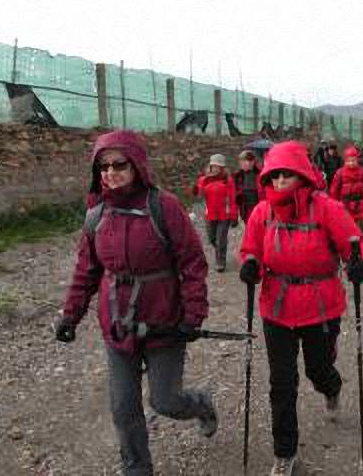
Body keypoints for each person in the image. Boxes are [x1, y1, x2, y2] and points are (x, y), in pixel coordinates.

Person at [55, 130, 216, 476]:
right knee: (123, 408)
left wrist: (193, 315)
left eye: (118, 165)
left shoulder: (164, 207)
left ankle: (200, 404)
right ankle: (137, 469)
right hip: (117, 327)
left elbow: (192, 263)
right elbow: (87, 268)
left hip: (164, 324)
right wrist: (71, 315)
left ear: (137, 165)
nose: (110, 173)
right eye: (103, 167)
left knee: (165, 401)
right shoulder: (97, 214)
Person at [239, 141, 363, 476]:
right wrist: (251, 264)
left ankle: (332, 386)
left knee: (318, 369)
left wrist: (359, 265)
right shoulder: (262, 212)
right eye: (274, 175)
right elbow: (250, 247)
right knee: (282, 384)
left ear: (303, 175)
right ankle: (286, 454)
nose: (280, 181)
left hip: (320, 307)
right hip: (276, 307)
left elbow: (354, 246)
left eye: (287, 174)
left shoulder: (326, 208)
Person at [194, 153, 239, 272]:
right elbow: (199, 196)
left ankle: (221, 262)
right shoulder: (204, 179)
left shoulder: (227, 180)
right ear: (210, 166)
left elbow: (233, 198)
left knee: (220, 239)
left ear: (222, 168)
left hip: (225, 214)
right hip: (210, 214)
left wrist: (234, 216)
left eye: (218, 166)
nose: (216, 169)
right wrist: (197, 187)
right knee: (212, 239)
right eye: (214, 166)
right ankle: (221, 247)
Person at [329, 145, 363, 234]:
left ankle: (361, 248)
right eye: (348, 161)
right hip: (345, 209)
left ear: (357, 160)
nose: (351, 163)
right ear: (345, 161)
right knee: (347, 235)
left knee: (360, 234)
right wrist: (333, 209)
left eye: (353, 160)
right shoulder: (340, 174)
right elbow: (334, 192)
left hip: (362, 209)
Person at [233, 150, 264, 224]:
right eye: (244, 161)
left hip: (258, 204)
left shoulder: (261, 174)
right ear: (240, 162)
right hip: (244, 206)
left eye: (250, 161)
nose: (248, 163)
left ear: (254, 162)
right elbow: (232, 196)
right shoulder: (236, 176)